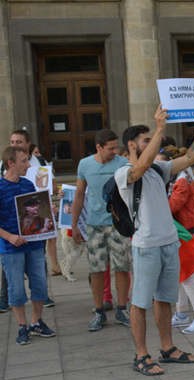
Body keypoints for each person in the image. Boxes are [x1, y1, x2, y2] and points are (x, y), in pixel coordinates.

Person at [115, 106, 194, 375]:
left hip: (169, 243)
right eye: (146, 140)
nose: (153, 143)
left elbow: (189, 158)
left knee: (164, 299)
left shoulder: (157, 170)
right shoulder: (125, 173)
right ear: (132, 145)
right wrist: (161, 129)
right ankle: (141, 355)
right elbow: (140, 166)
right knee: (140, 303)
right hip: (146, 246)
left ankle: (167, 348)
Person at [71, 129, 132, 332]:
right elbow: (79, 194)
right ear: (98, 147)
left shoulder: (122, 164)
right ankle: (99, 311)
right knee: (96, 270)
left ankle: (122, 308)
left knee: (122, 267)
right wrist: (74, 225)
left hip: (118, 224)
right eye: (110, 148)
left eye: (116, 147)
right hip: (94, 225)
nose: (115, 151)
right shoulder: (85, 164)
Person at [0, 146, 56, 345]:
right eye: (23, 161)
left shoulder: (27, 184)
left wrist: (48, 214)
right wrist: (9, 237)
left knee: (39, 284)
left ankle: (36, 321)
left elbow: (35, 212)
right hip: (10, 247)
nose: (27, 165)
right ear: (11, 163)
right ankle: (22, 325)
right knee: (16, 289)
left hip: (33, 244)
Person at [157, 149, 194, 335]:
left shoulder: (180, 179)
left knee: (186, 277)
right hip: (180, 231)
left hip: (184, 232)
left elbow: (173, 206)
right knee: (180, 276)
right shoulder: (179, 177)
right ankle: (181, 313)